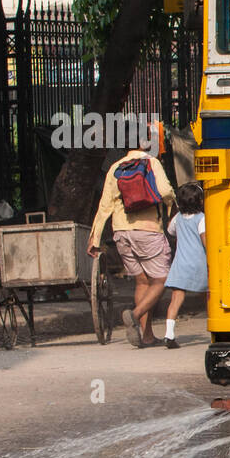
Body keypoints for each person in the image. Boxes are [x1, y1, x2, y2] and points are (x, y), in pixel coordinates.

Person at [87, 144, 175, 348]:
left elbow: (104, 205)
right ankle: (134, 315)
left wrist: (95, 238)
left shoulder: (116, 167)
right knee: (161, 279)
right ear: (145, 144)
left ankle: (147, 336)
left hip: (121, 231)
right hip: (148, 230)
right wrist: (171, 204)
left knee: (142, 282)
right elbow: (165, 191)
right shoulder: (151, 162)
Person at [162, 181, 208, 350]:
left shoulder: (178, 218)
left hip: (180, 263)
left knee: (176, 299)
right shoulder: (201, 219)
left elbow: (170, 231)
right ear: (200, 201)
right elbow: (205, 242)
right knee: (208, 298)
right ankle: (215, 331)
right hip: (198, 264)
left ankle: (169, 334)